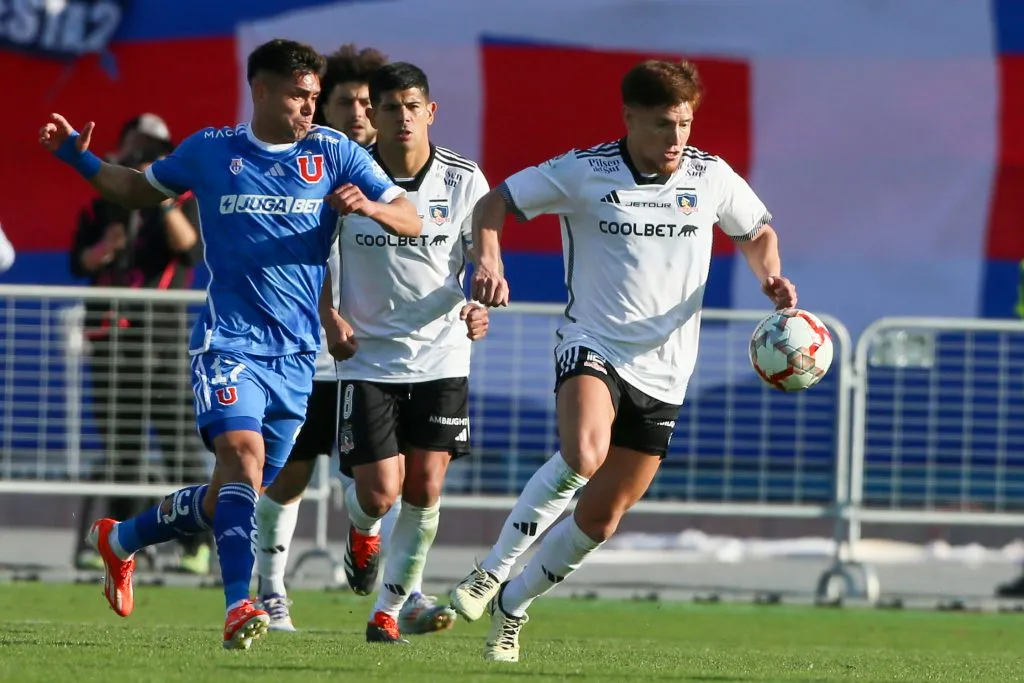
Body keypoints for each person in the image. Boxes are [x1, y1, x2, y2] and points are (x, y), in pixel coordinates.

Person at [38, 37, 419, 650]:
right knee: (240, 459)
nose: (308, 108)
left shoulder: (335, 152)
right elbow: (137, 190)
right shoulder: (212, 151)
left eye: (314, 98)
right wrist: (81, 161)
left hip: (297, 358)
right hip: (228, 342)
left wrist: (375, 209)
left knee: (232, 497)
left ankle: (121, 538)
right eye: (298, 95)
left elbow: (412, 216)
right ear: (261, 90)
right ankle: (240, 605)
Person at [449, 59, 798, 662]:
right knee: (583, 454)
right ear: (630, 118)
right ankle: (489, 571)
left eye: (685, 124)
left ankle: (513, 606)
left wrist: (770, 277)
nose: (677, 139)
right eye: (664, 125)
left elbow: (757, 231)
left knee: (602, 519)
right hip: (594, 343)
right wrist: (490, 258)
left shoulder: (711, 176)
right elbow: (494, 204)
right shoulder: (585, 171)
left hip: (667, 369)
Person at [330, 62, 490, 643]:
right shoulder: (348, 174)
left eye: (411, 106)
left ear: (431, 112)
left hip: (443, 354)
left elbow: (480, 256)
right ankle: (361, 532)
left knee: (424, 487)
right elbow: (318, 255)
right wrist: (328, 314)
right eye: (389, 107)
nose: (401, 117)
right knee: (377, 494)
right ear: (372, 113)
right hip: (369, 356)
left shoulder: (466, 178)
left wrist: (482, 301)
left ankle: (389, 610)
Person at [254, 43, 391, 633]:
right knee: (290, 472)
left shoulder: (400, 170)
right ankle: (271, 590)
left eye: (369, 102)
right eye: (345, 101)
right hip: (307, 350)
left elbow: (432, 244)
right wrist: (324, 311)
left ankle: (366, 536)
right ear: (324, 105)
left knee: (382, 482)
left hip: (377, 354)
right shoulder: (300, 160)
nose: (358, 112)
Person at [68, 113, 211, 575]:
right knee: (122, 449)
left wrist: (162, 201)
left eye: (155, 148)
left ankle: (195, 544)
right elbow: (79, 263)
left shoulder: (183, 200)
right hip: (113, 343)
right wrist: (106, 246)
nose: (143, 155)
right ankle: (122, 543)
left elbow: (191, 251)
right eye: (138, 147)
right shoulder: (101, 205)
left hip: (165, 341)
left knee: (178, 447)